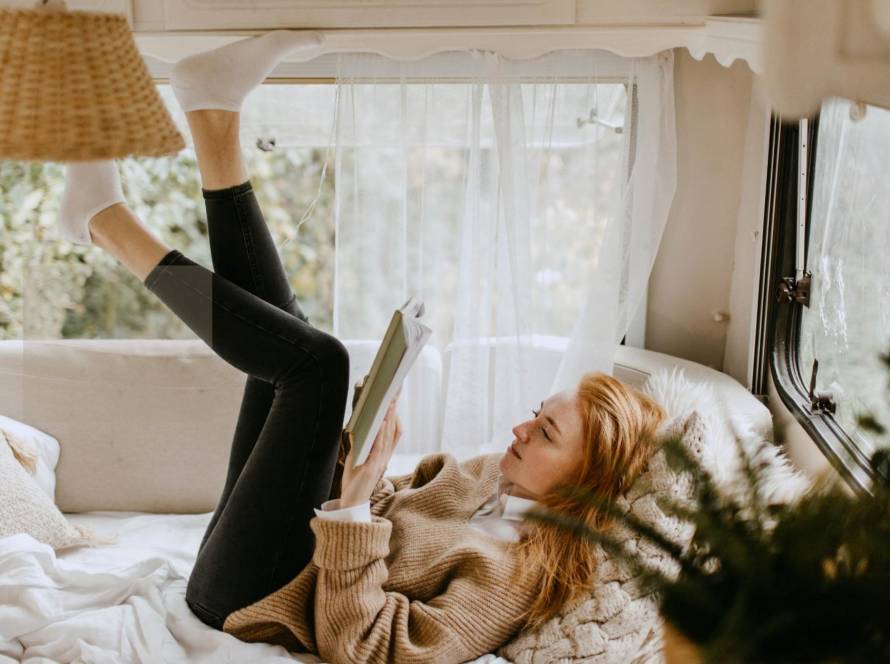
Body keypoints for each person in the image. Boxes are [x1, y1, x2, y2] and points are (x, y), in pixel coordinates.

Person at [54, 31, 667, 664]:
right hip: (283, 549)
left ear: (586, 486)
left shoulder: (515, 575)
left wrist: (351, 501)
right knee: (288, 344)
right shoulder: (491, 479)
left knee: (318, 364)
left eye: (545, 433)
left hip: (253, 596)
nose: (519, 427)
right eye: (538, 414)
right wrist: (362, 456)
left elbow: (368, 648)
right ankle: (212, 118)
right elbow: (378, 504)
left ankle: (106, 221)